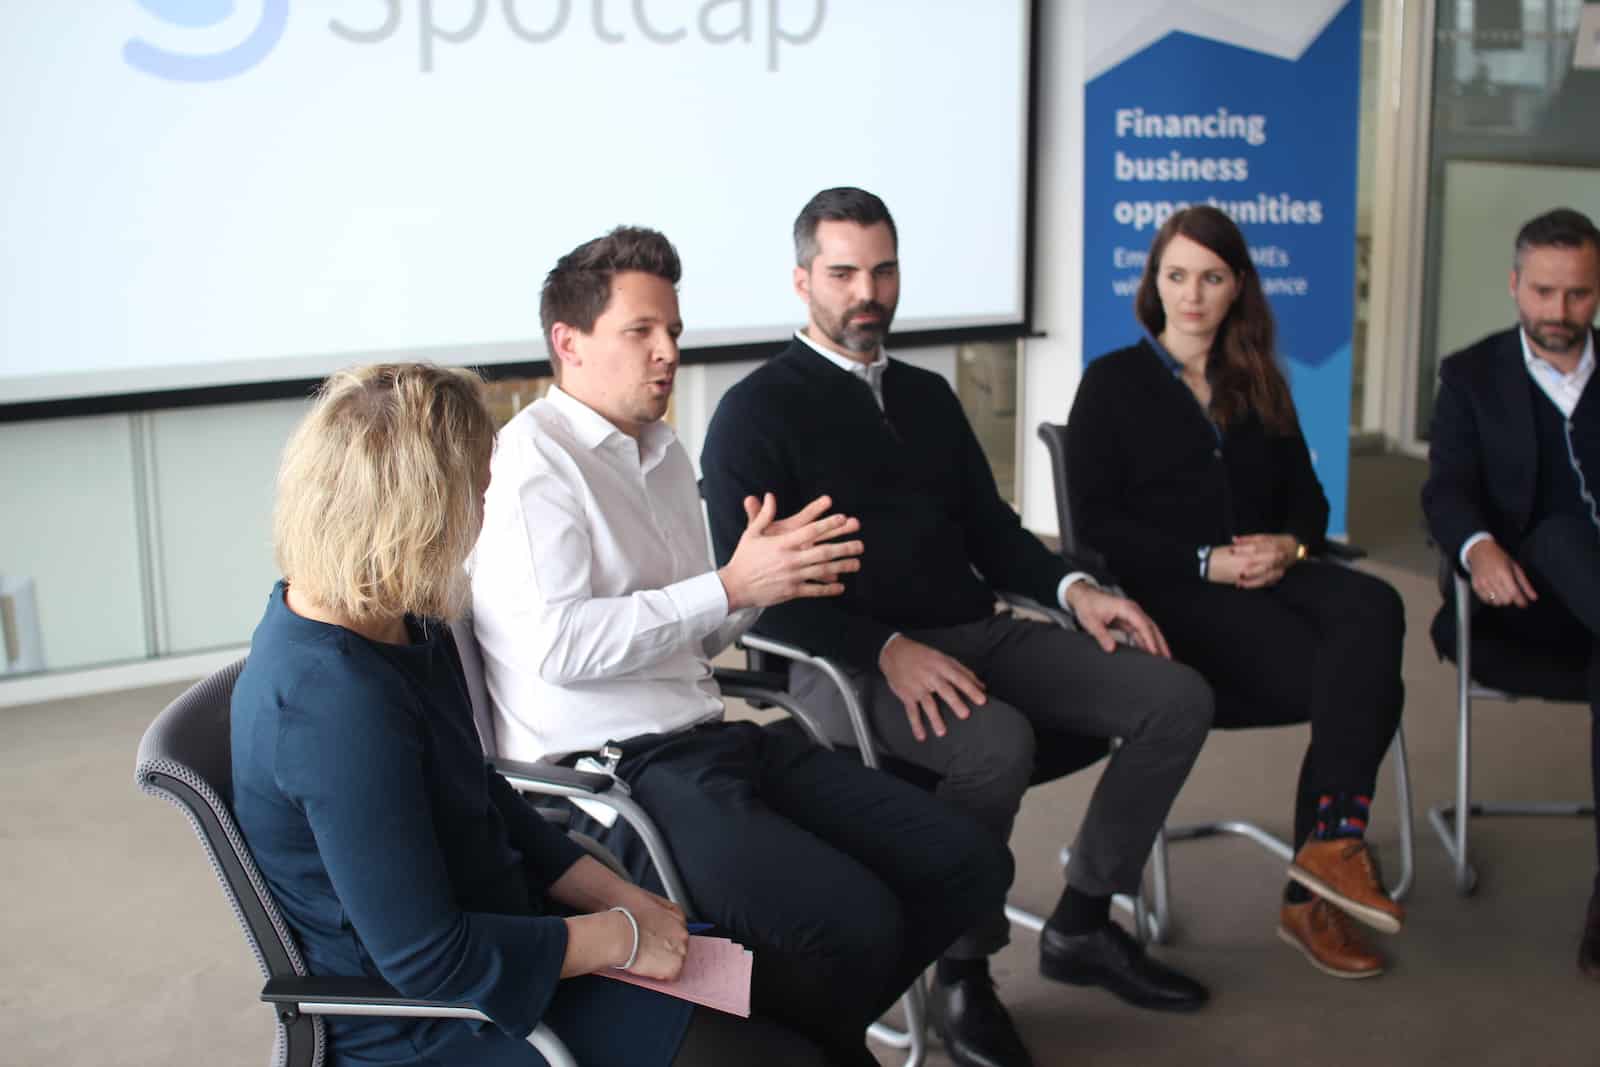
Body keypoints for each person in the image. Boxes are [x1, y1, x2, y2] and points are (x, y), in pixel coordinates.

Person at [468, 227, 1013, 1067]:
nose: (667, 352)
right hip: (614, 776)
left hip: (709, 738)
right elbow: (559, 647)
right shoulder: (534, 463)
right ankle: (804, 1041)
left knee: (969, 864)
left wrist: (762, 583)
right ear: (568, 343)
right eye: (640, 331)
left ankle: (799, 1039)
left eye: (673, 331)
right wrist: (728, 585)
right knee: (856, 923)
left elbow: (693, 629)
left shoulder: (660, 449)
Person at [700, 187, 1215, 1067]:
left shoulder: (927, 395)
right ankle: (964, 972)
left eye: (884, 270)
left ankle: (1083, 920)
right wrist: (885, 649)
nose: (868, 291)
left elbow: (994, 534)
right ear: (801, 281)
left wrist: (1075, 589)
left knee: (1176, 697)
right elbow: (757, 597)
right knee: (996, 744)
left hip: (974, 629)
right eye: (843, 273)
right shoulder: (756, 412)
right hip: (842, 662)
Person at [230, 363, 828, 1066]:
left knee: (806, 991)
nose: (485, 519)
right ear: (420, 517)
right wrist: (619, 936)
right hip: (443, 1021)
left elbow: (479, 790)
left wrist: (617, 896)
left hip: (518, 936)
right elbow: (428, 959)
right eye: (479, 496)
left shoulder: (397, 618)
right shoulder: (331, 707)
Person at [1066, 205, 1408, 980]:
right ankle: (1314, 888)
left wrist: (1289, 546)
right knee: (1369, 684)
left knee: (1378, 604)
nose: (1192, 295)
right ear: (1155, 284)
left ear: (1238, 287)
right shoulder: (1112, 383)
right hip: (1175, 598)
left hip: (1272, 578)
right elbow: (1096, 528)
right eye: (1177, 275)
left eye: (1212, 277)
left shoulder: (1258, 381)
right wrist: (1203, 561)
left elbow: (1310, 505)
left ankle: (1329, 849)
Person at [1422, 206, 1600, 979]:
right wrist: (1479, 546)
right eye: (1543, 292)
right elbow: (1444, 489)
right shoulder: (1471, 374)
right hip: (1520, 605)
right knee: (1559, 534)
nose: (1559, 312)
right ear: (1515, 284)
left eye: (1578, 294)